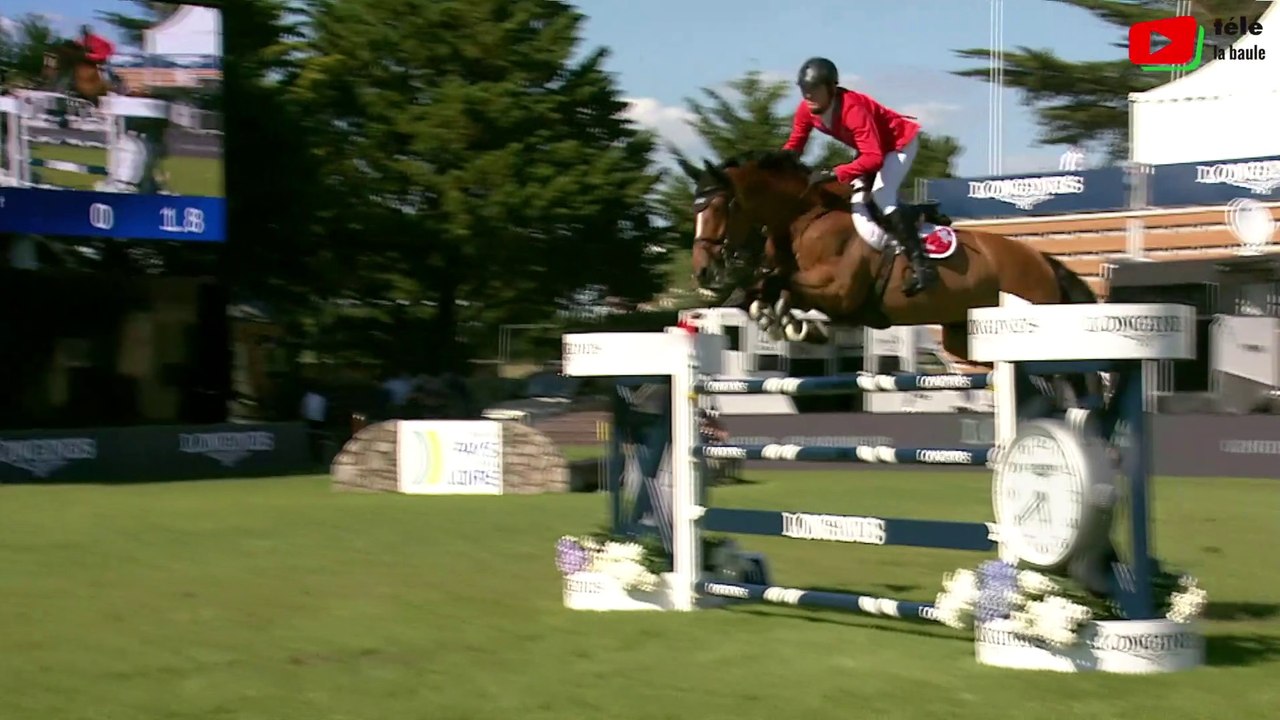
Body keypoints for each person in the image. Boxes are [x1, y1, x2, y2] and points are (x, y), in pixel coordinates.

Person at [782, 57, 937, 296]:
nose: (808, 96)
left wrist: (836, 172)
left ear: (831, 89)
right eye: (804, 90)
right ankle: (918, 213)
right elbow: (795, 145)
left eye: (814, 90)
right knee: (856, 195)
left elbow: (874, 158)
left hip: (898, 145)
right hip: (872, 148)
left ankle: (922, 266)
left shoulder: (852, 109)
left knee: (881, 195)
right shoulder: (806, 110)